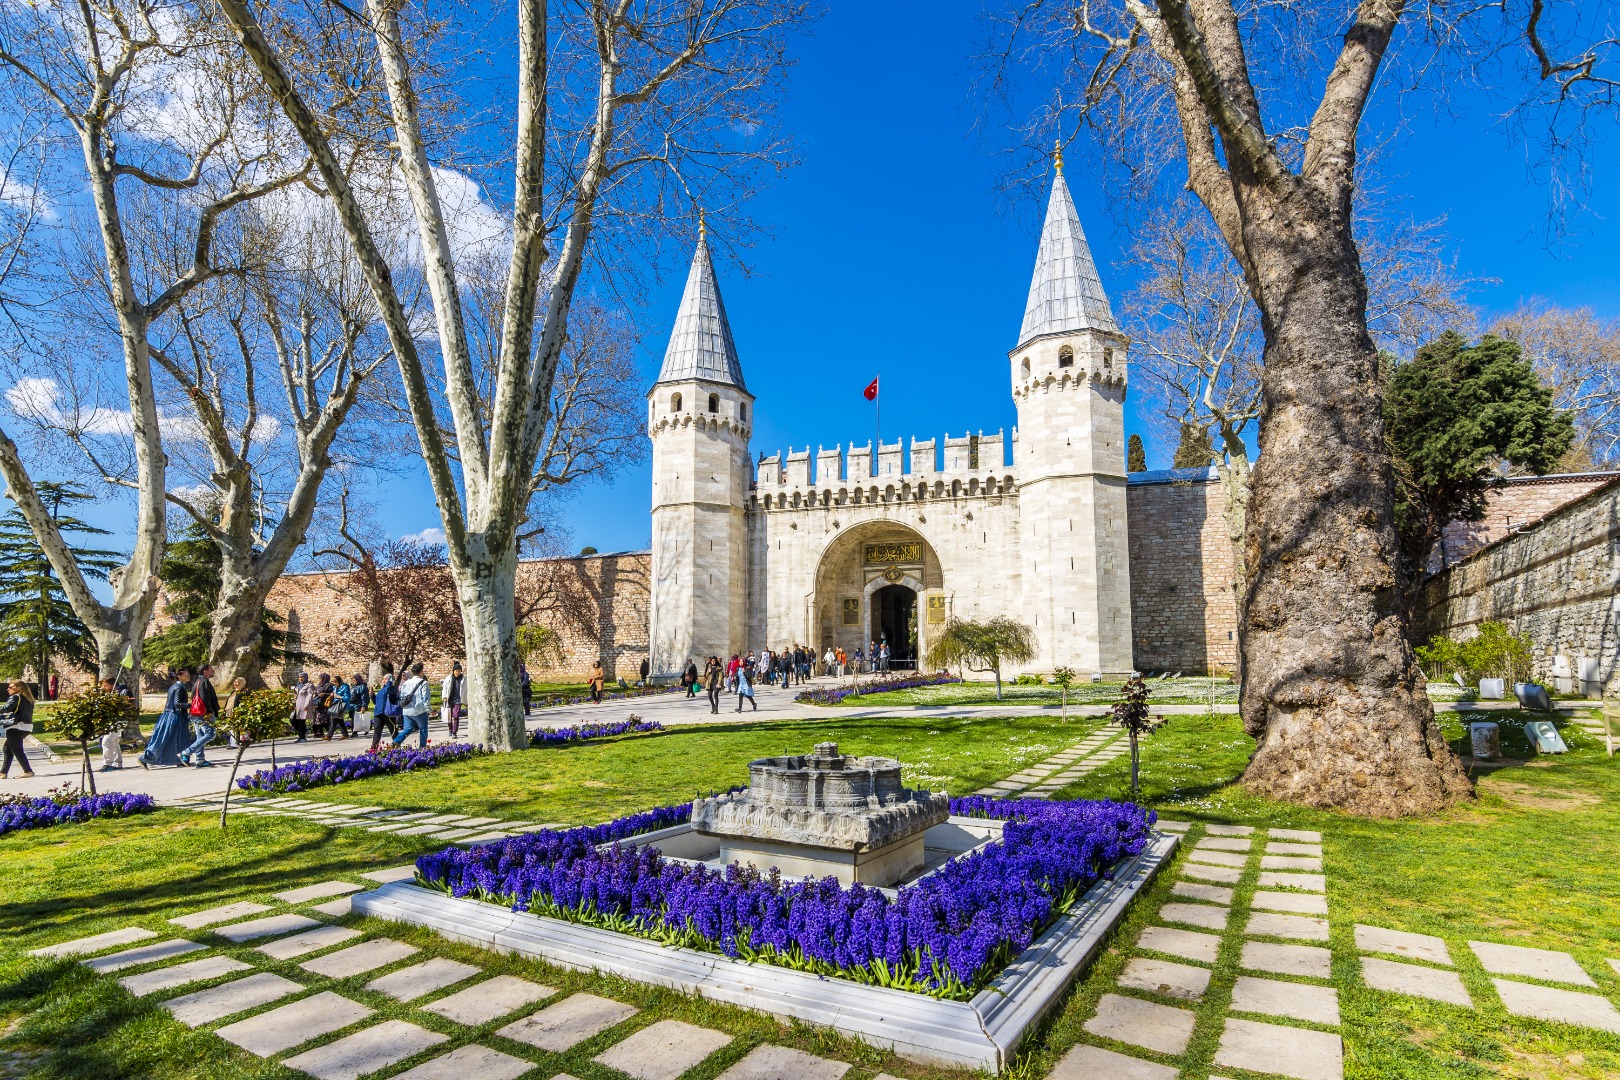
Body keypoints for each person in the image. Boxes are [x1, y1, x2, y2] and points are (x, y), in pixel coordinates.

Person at [142, 669, 193, 768]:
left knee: (174, 738)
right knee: (166, 738)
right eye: (187, 674)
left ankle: (179, 760)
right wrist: (192, 705)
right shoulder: (179, 688)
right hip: (175, 715)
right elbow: (177, 704)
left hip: (171, 715)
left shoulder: (175, 687)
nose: (188, 676)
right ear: (180, 676)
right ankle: (145, 757)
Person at [180, 663, 220, 767]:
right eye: (211, 669)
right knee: (210, 734)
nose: (213, 671)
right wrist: (210, 712)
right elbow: (205, 699)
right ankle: (186, 752)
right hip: (203, 714)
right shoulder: (204, 682)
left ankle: (200, 759)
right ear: (205, 671)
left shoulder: (197, 682)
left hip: (196, 713)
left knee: (200, 736)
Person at [0, 679, 35, 779]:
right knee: (7, 749)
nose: (8, 689)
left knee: (17, 749)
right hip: (26, 727)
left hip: (16, 726)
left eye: (11, 687)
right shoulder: (28, 698)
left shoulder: (15, 697)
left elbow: (6, 708)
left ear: (19, 688)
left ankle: (28, 771)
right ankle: (3, 772)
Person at [393, 662, 432, 749]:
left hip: (407, 710)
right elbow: (425, 699)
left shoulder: (406, 683)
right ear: (421, 671)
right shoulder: (423, 683)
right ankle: (422, 747)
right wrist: (429, 710)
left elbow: (402, 696)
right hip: (419, 711)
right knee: (423, 729)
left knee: (407, 729)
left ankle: (395, 742)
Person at [97, 677, 126, 771]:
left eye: (106, 685)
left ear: (112, 685)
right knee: (114, 741)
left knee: (107, 740)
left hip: (120, 720)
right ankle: (118, 763)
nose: (104, 687)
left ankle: (108, 763)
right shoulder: (109, 694)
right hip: (112, 721)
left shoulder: (121, 693)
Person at [370, 663, 401, 749]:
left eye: (386, 679)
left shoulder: (392, 687)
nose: (384, 680)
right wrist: (372, 695)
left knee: (393, 730)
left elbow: (388, 691)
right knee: (377, 730)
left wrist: (389, 682)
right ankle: (374, 747)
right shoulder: (381, 690)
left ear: (390, 680)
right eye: (383, 679)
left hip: (388, 712)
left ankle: (397, 745)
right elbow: (376, 702)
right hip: (379, 713)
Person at [441, 662, 465, 738]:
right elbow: (444, 688)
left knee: (456, 716)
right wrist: (444, 696)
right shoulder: (448, 678)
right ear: (453, 671)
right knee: (449, 715)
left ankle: (454, 732)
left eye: (459, 670)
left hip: (458, 699)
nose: (457, 672)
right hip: (450, 698)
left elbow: (466, 689)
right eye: (456, 671)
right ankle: (450, 729)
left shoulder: (464, 679)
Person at [292, 672, 315, 742]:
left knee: (301, 721)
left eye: (302, 677)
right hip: (297, 705)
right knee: (292, 719)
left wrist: (306, 705)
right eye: (299, 677)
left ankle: (302, 737)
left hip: (303, 705)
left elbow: (309, 695)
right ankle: (304, 731)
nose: (300, 679)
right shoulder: (298, 685)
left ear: (305, 677)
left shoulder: (309, 685)